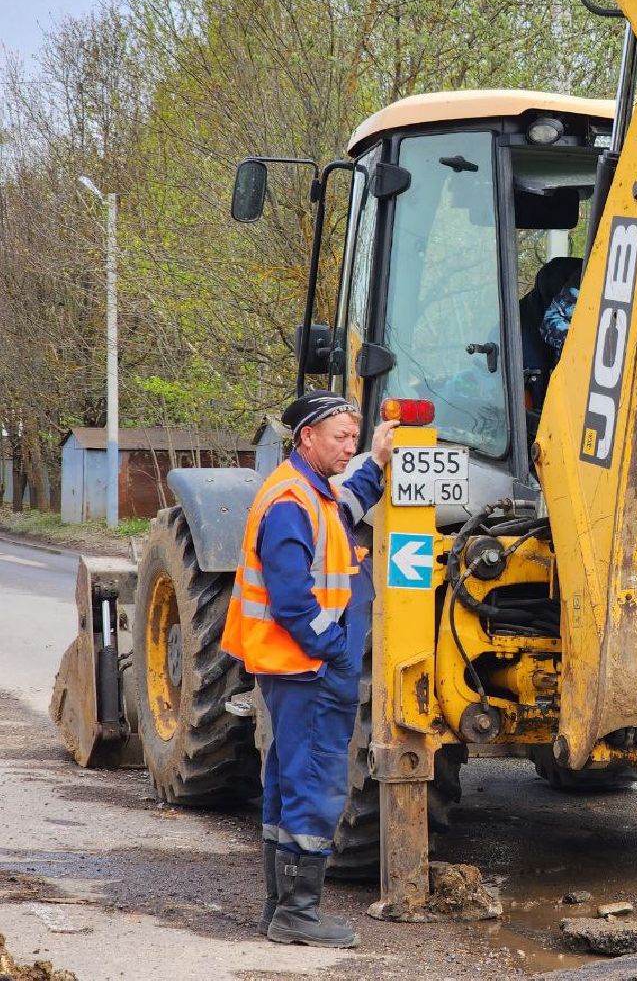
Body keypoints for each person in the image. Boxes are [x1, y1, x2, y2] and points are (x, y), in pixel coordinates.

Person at [221, 391, 397, 948]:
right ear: (306, 439)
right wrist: (335, 649)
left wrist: (376, 459)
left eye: (353, 437)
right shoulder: (291, 502)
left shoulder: (311, 492)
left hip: (296, 667)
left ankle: (280, 907)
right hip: (308, 667)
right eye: (340, 438)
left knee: (287, 779)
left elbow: (345, 508)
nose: (348, 446)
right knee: (315, 784)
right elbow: (294, 599)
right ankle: (297, 913)